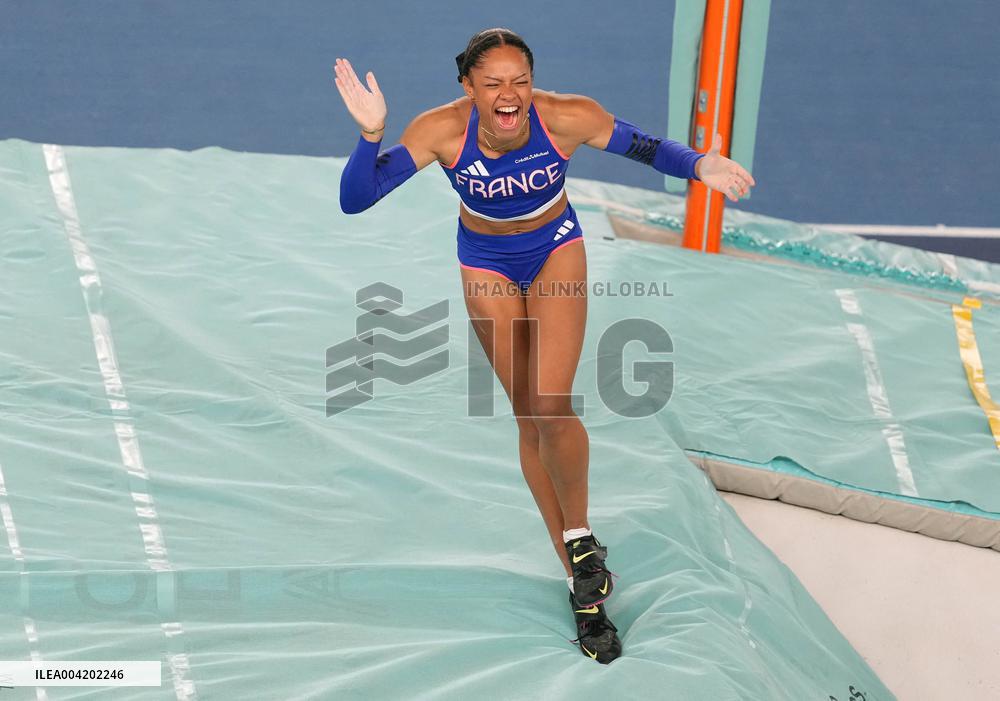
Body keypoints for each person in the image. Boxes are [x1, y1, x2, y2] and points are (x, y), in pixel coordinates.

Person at [334, 27, 755, 665]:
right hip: (486, 264)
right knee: (529, 417)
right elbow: (355, 199)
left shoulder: (566, 117)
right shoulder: (441, 130)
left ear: (533, 83)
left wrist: (702, 165)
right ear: (468, 89)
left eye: (520, 81)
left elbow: (645, 146)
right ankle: (584, 593)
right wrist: (371, 136)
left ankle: (581, 541)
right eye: (494, 83)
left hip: (555, 249)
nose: (510, 95)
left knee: (551, 405)